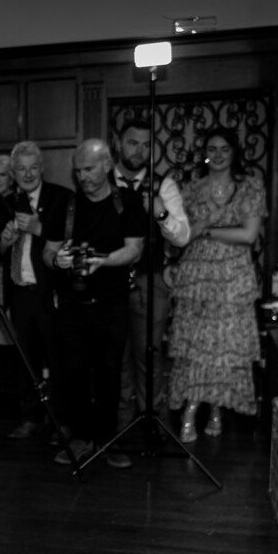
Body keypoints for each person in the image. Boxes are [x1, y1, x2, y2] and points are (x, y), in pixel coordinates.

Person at [43, 140, 145, 469]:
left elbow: (134, 250)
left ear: (106, 166)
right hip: (72, 305)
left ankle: (107, 439)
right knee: (72, 373)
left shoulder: (126, 202)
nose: (83, 176)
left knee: (109, 374)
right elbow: (48, 251)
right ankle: (81, 437)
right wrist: (59, 260)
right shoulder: (67, 205)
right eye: (78, 170)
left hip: (111, 304)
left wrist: (101, 262)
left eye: (89, 169)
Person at [168, 127, 265, 441]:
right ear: (205, 152)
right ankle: (191, 410)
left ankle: (215, 408)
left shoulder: (249, 187)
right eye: (213, 148)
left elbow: (248, 235)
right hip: (197, 276)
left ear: (234, 152)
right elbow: (180, 236)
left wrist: (207, 230)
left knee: (223, 347)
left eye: (225, 148)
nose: (219, 154)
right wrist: (200, 228)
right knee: (197, 347)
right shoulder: (191, 190)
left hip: (233, 277)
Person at [110, 120, 191, 423]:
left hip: (150, 281)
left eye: (146, 145)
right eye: (133, 143)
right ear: (118, 143)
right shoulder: (101, 180)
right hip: (110, 282)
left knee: (149, 353)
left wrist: (159, 212)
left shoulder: (163, 185)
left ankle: (151, 419)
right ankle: (119, 420)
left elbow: (182, 236)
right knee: (116, 355)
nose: (139, 151)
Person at [0, 141, 71, 442]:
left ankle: (62, 422)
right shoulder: (6, 202)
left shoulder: (62, 198)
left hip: (50, 291)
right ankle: (30, 417)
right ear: (13, 173)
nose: (28, 174)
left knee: (57, 359)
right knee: (25, 359)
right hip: (20, 291)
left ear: (42, 168)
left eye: (33, 167)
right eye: (21, 169)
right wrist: (6, 239)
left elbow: (71, 240)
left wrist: (41, 228)